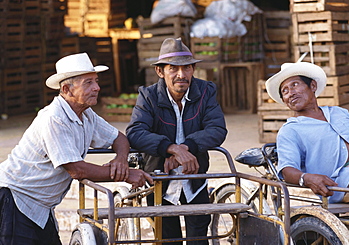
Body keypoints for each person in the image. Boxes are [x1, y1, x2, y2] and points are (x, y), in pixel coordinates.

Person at [0, 53, 153, 245]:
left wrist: (121, 160)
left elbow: (119, 138)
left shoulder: (86, 114)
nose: (97, 87)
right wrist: (125, 175)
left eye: (96, 81)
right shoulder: (54, 118)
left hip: (41, 206)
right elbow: (76, 169)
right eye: (88, 83)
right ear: (66, 89)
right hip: (15, 199)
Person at [126, 37, 227, 244]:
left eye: (187, 68)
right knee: (166, 239)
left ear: (193, 70)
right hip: (159, 182)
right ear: (160, 71)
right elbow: (135, 132)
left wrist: (185, 149)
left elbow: (217, 129)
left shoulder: (206, 91)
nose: (181, 75)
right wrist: (170, 149)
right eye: (173, 68)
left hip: (194, 179)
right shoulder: (148, 96)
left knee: (199, 238)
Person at [265, 61, 349, 204]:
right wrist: (306, 178)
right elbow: (287, 169)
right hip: (346, 179)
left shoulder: (338, 112)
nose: (290, 93)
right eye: (285, 91)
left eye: (295, 84)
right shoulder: (290, 130)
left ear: (312, 86)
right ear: (284, 101)